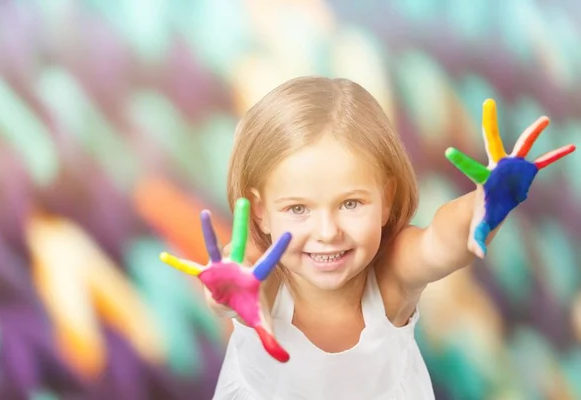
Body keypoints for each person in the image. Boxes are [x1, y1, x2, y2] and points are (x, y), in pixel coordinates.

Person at [201, 76, 571, 399]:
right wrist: (226, 292)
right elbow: (233, 290)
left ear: (386, 199)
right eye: (298, 209)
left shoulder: (392, 274)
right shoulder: (262, 277)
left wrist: (484, 203)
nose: (328, 232)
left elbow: (439, 241)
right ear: (260, 211)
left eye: (350, 203)